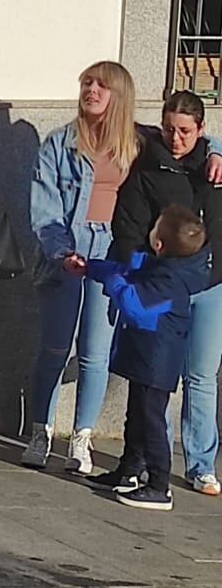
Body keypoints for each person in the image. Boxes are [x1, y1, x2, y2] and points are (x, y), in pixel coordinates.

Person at [93, 92, 222, 496]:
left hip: (209, 283)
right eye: (169, 129)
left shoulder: (213, 167)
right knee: (147, 379)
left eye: (185, 131)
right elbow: (128, 224)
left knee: (200, 375)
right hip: (161, 283)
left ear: (201, 130)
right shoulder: (148, 165)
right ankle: (144, 463)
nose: (176, 138)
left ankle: (200, 465)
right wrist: (130, 271)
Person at [19, 62, 140, 475]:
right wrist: (61, 251)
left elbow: (198, 138)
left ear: (118, 94)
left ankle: (81, 438)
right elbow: (44, 207)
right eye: (87, 83)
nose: (91, 90)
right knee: (54, 347)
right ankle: (41, 432)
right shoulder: (59, 143)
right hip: (67, 249)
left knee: (95, 352)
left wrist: (214, 149)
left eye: (101, 85)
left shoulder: (138, 143)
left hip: (112, 250)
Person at [84, 205, 213, 511]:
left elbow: (135, 306)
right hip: (145, 358)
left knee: (152, 421)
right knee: (137, 417)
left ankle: (158, 485)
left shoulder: (169, 281)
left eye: (155, 228)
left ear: (159, 244)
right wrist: (91, 268)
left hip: (157, 361)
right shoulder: (161, 266)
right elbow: (125, 271)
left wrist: (113, 285)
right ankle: (128, 471)